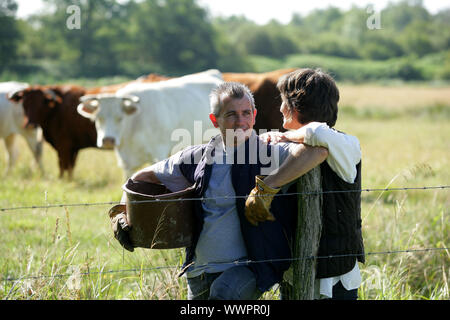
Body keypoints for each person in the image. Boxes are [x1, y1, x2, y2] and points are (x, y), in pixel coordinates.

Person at [110, 81, 329, 300]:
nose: (241, 121)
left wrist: (269, 185)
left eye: (246, 113)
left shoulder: (270, 153)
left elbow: (317, 151)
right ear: (215, 120)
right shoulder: (195, 158)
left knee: (222, 295)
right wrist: (123, 211)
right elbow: (138, 179)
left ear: (254, 115)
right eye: (231, 114)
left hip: (247, 268)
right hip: (199, 269)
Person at [245, 68, 365, 300]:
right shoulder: (283, 145)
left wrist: (266, 187)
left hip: (335, 275)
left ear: (296, 106)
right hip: (294, 270)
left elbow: (318, 133)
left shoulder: (346, 144)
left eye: (283, 102)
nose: (279, 108)